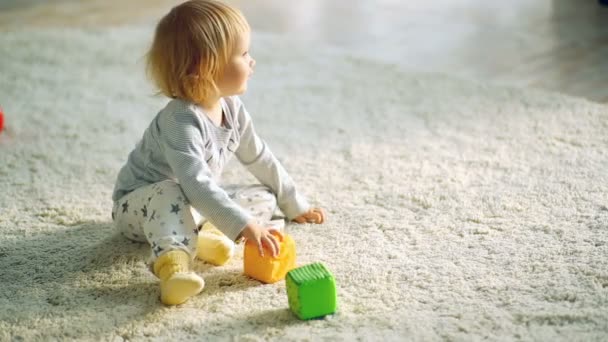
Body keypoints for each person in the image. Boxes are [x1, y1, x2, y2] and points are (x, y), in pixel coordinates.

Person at [111, 0, 325, 306]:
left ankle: (209, 237)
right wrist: (244, 225)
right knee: (172, 191)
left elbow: (259, 157)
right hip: (140, 206)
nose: (253, 62)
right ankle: (174, 268)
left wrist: (293, 203)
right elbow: (195, 184)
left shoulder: (232, 108)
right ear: (205, 68)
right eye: (243, 54)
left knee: (262, 195)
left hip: (191, 202)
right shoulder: (178, 121)